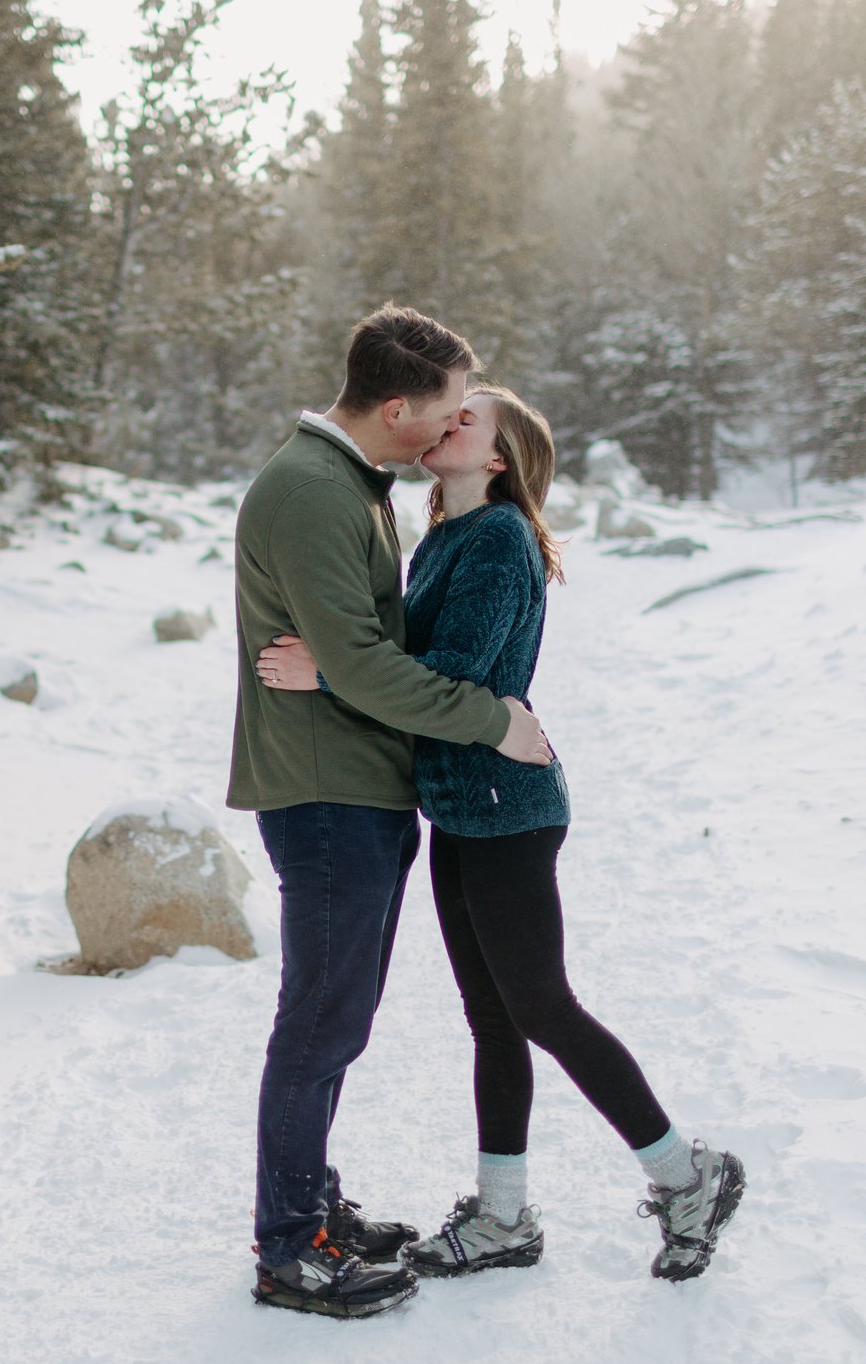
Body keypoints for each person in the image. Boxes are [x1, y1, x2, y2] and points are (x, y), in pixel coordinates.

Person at [258, 385, 745, 1283]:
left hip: (508, 808)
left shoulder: (498, 538)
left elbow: (448, 674)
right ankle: (503, 1217)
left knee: (540, 1006)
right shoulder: (446, 535)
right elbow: (415, 668)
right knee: (493, 1020)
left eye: (468, 418)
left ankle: (687, 1174)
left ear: (498, 459)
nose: (448, 421)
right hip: (459, 804)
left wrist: (328, 671)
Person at [228, 305, 555, 1319]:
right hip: (325, 792)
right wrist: (494, 721)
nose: (455, 423)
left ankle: (313, 1204)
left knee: (340, 1018)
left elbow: (364, 649)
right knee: (319, 1021)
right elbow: (370, 666)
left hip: (358, 786)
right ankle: (289, 1248)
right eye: (453, 406)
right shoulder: (313, 491)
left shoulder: (352, 485)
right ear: (404, 406)